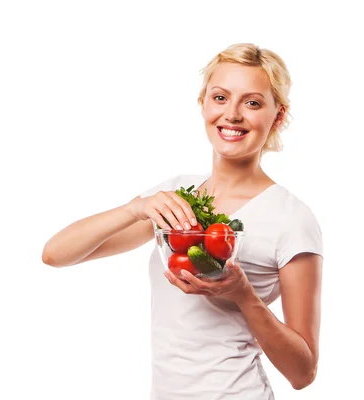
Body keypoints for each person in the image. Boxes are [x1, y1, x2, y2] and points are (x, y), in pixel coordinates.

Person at [42, 43, 324, 400]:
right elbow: (56, 254)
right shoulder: (175, 195)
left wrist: (243, 295)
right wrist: (135, 208)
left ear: (278, 116)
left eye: (252, 102)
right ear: (203, 103)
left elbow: (303, 373)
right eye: (220, 97)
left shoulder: (291, 218)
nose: (232, 115)